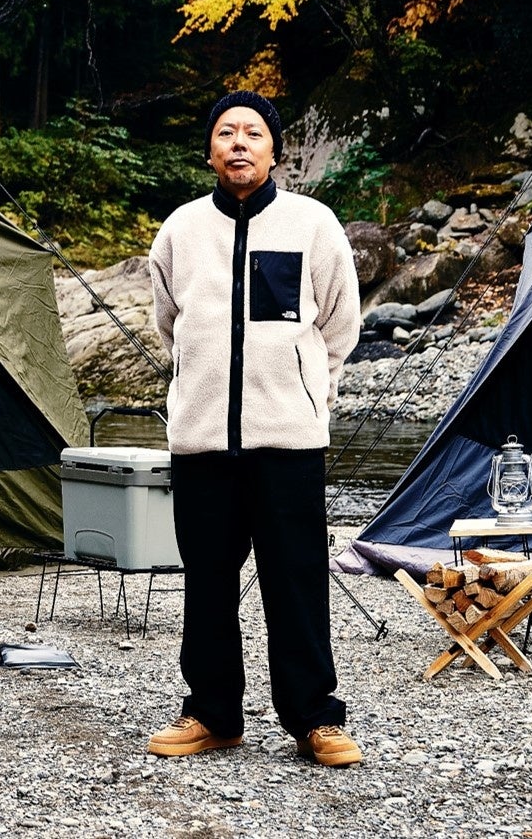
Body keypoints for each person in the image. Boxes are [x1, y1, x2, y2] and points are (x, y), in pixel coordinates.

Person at [145, 90, 363, 768]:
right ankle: (213, 714)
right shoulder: (181, 229)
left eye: (253, 133)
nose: (238, 143)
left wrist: (309, 392)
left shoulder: (313, 223)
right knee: (208, 583)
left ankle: (314, 719)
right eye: (225, 133)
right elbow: (168, 324)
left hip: (288, 440)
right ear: (209, 151)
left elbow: (340, 324)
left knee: (296, 582)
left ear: (275, 150)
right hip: (202, 441)